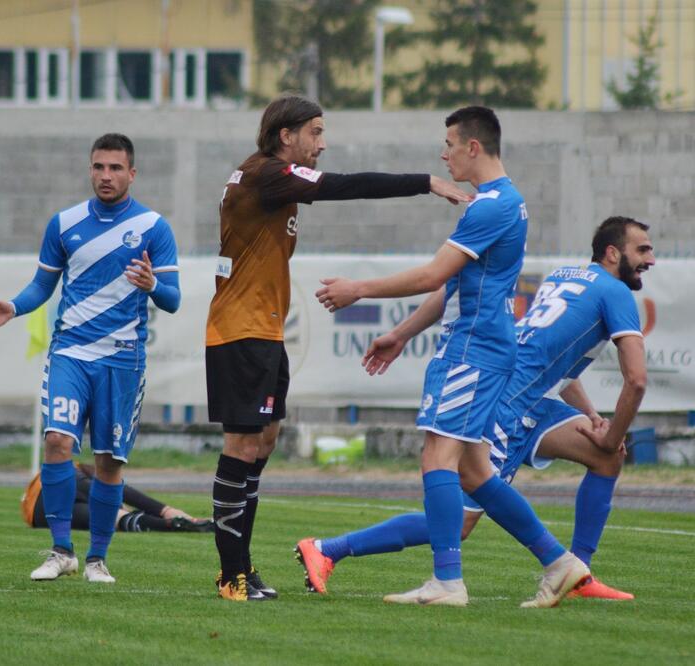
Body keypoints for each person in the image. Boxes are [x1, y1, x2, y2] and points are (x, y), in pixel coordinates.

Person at [314, 106, 590, 608]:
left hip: (472, 349)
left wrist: (359, 288)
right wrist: (400, 333)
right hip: (485, 346)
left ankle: (447, 582)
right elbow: (456, 284)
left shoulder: (490, 206)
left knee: (437, 456)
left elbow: (432, 275)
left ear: (473, 147)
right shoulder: (504, 202)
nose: (443, 154)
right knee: (475, 472)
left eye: (448, 144)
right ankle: (560, 562)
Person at [297, 216, 654, 602]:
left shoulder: (564, 277)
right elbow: (636, 380)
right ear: (613, 253)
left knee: (607, 458)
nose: (651, 259)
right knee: (461, 522)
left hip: (529, 400)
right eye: (643, 250)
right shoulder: (616, 293)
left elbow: (549, 355)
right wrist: (612, 433)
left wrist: (595, 419)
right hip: (505, 406)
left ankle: (577, 576)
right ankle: (328, 549)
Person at [205, 93, 472, 602]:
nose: (322, 144)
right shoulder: (267, 174)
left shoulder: (267, 178)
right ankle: (230, 575)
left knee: (262, 444)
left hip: (262, 331)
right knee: (241, 446)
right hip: (239, 333)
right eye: (316, 133)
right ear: (287, 136)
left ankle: (241, 566)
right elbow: (346, 186)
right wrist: (426, 182)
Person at [0, 133, 180, 585]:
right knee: (57, 443)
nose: (105, 175)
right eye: (98, 167)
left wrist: (152, 285)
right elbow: (41, 285)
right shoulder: (64, 223)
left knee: (109, 463)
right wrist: (13, 306)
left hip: (123, 360)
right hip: (71, 351)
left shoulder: (154, 227)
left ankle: (97, 559)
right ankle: (60, 551)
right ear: (90, 169)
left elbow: (173, 300)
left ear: (132, 173)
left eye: (115, 168)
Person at [20, 463, 212, 533]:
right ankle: (172, 519)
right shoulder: (81, 471)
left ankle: (172, 524)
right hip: (48, 491)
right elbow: (124, 491)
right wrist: (164, 509)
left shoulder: (78, 471)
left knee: (115, 517)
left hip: (40, 511)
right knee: (113, 510)